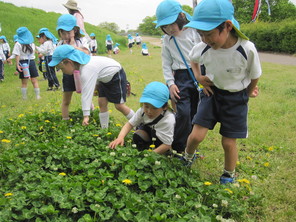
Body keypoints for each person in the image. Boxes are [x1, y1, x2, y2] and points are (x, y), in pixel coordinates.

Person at [183, 0, 261, 184]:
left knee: (228, 142)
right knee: (196, 135)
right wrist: (199, 78)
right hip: (212, 94)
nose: (205, 39)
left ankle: (228, 173)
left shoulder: (246, 49)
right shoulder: (203, 48)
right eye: (200, 34)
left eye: (209, 34)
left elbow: (255, 75)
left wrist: (247, 93)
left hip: (236, 98)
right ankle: (187, 157)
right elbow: (192, 60)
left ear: (227, 26)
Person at [154, 0, 202, 153]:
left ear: (181, 17)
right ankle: (178, 147)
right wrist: (170, 83)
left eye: (171, 24)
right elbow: (166, 63)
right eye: (165, 26)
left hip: (198, 75)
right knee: (183, 113)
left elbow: (205, 53)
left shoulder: (194, 31)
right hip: (180, 78)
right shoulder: (168, 40)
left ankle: (191, 145)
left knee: (196, 113)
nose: (169, 29)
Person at [48, 45, 135, 128]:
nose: (61, 71)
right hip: (104, 79)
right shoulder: (81, 67)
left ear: (69, 62)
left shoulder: (87, 69)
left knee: (119, 106)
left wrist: (86, 116)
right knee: (102, 103)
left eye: (61, 68)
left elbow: (86, 94)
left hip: (116, 75)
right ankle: (105, 129)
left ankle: (137, 122)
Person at [109, 81, 175, 154]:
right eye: (146, 106)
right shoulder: (142, 111)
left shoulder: (168, 119)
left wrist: (150, 155)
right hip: (151, 133)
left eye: (155, 108)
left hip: (163, 140)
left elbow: (167, 144)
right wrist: (120, 137)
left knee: (165, 150)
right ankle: (144, 149)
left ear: (165, 107)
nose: (149, 111)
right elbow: (129, 124)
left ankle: (160, 153)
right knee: (137, 135)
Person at [56, 14, 90, 120]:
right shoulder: (60, 44)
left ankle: (90, 115)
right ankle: (65, 120)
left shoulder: (81, 41)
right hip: (68, 74)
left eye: (68, 32)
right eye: (62, 32)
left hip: (82, 72)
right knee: (66, 100)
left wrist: (73, 46)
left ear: (75, 30)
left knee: (86, 96)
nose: (65, 35)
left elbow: (86, 52)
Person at [12, 27, 41, 99]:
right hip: (31, 62)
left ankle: (24, 97)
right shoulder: (32, 43)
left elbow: (17, 54)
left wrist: (17, 64)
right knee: (34, 80)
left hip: (22, 63)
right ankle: (37, 96)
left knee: (24, 82)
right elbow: (33, 52)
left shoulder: (18, 43)